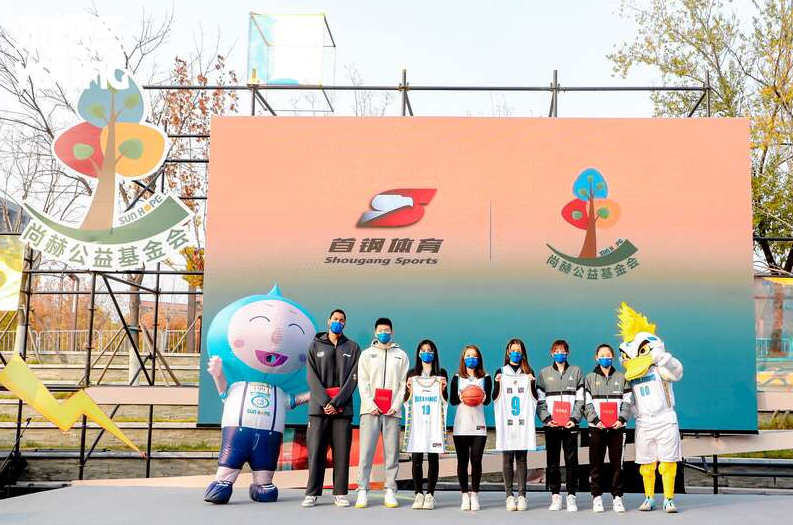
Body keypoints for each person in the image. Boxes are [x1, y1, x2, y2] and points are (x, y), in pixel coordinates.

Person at [616, 302, 684, 513]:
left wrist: (666, 359)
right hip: (644, 422)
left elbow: (677, 372)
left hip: (665, 419)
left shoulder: (659, 369)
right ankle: (649, 497)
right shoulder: (630, 377)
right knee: (646, 464)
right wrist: (632, 414)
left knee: (667, 461)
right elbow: (629, 400)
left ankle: (669, 498)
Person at [302, 309, 361, 508]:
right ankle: (312, 494)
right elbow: (311, 377)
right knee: (316, 452)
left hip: (342, 411)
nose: (338, 322)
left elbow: (354, 378)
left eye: (342, 320)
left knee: (342, 453)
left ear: (345, 323)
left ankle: (340, 493)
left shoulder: (353, 347)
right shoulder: (315, 345)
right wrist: (326, 402)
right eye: (335, 319)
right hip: (319, 410)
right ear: (328, 321)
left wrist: (337, 404)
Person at [355, 318, 409, 509]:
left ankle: (390, 490)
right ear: (375, 332)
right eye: (381, 330)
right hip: (370, 411)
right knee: (366, 452)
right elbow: (363, 382)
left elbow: (403, 384)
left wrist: (396, 404)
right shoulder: (366, 355)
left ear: (392, 332)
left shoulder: (401, 355)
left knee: (392, 453)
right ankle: (362, 490)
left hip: (392, 412)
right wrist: (371, 405)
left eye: (387, 330)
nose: (384, 333)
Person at [536, 339, 584, 512]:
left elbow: (580, 399)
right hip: (552, 425)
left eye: (563, 351)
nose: (560, 354)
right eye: (556, 351)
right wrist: (547, 419)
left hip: (570, 425)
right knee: (552, 462)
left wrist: (575, 418)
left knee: (572, 462)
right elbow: (540, 401)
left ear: (567, 353)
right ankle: (555, 495)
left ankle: (571, 496)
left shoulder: (576, 371)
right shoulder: (544, 373)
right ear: (551, 353)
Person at [584, 343, 632, 513]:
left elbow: (627, 401)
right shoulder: (589, 378)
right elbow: (586, 402)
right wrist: (595, 420)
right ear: (596, 358)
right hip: (596, 427)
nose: (605, 357)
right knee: (596, 464)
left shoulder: (622, 377)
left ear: (613, 357)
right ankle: (596, 497)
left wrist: (621, 419)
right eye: (602, 355)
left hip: (617, 428)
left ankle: (617, 497)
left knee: (617, 465)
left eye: (608, 355)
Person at [493, 338, 537, 512]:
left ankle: (522, 495)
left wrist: (531, 382)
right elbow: (494, 397)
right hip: (507, 422)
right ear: (508, 352)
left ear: (523, 353)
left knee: (522, 459)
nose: (515, 353)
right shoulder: (501, 372)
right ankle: (509, 496)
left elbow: (535, 398)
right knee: (507, 458)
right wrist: (498, 383)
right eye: (513, 350)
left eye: (519, 351)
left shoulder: (528, 372)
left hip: (522, 423)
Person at [403, 339, 448, 510]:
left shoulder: (441, 373)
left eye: (429, 350)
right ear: (418, 353)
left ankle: (430, 494)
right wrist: (409, 389)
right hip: (417, 423)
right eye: (423, 350)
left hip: (434, 423)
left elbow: (446, 399)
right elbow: (406, 399)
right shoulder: (412, 374)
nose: (426, 353)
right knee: (416, 458)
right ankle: (418, 494)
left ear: (434, 353)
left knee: (433, 458)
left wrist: (443, 389)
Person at [450, 344, 492, 512]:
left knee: (476, 461)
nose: (471, 358)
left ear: (479, 358)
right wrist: (462, 396)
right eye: (468, 356)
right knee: (462, 461)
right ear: (463, 358)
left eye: (474, 356)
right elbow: (452, 400)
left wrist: (481, 396)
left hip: (479, 425)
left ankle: (474, 494)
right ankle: (464, 495)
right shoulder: (457, 378)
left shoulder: (486, 378)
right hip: (461, 425)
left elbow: (487, 401)